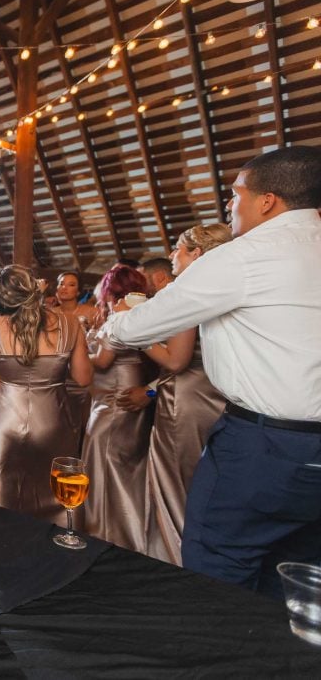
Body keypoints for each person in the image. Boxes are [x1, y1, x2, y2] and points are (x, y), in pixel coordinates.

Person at [102, 145, 321, 598]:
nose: (229, 205)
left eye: (236, 194)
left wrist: (113, 321)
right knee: (298, 573)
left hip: (265, 446)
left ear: (268, 200)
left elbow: (137, 327)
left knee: (216, 563)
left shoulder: (244, 257)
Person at [138, 226, 231, 564]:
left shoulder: (190, 291)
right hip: (217, 396)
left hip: (184, 398)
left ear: (197, 254)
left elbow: (176, 360)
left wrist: (135, 331)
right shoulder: (227, 289)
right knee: (202, 483)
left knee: (175, 484)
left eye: (178, 249)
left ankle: (177, 560)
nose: (173, 256)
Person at [0, 265, 92, 521]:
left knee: (6, 497)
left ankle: (10, 550)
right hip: (54, 419)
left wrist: (13, 383)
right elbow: (84, 378)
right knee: (59, 495)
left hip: (6, 421)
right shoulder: (69, 323)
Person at [82, 265, 154, 552]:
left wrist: (73, 348)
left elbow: (101, 362)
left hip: (116, 395)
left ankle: (107, 531)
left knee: (103, 456)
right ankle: (121, 527)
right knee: (122, 465)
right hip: (123, 387)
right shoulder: (140, 314)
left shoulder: (122, 316)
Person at [53, 272, 98, 449]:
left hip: (83, 371)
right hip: (59, 373)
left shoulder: (91, 312)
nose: (64, 287)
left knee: (83, 424)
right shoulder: (50, 313)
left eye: (71, 284)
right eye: (61, 283)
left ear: (78, 291)